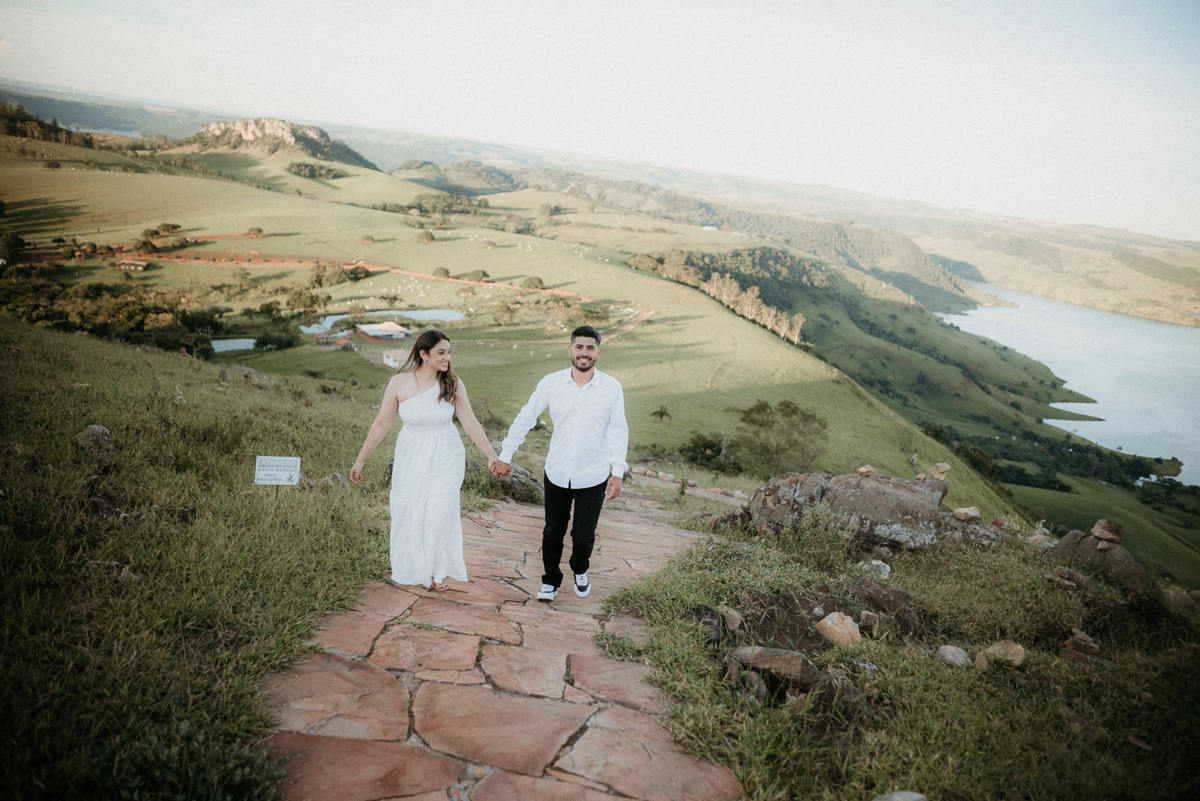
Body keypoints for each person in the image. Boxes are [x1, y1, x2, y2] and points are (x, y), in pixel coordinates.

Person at [350, 329, 502, 591]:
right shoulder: (399, 384)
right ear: (423, 354)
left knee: (438, 512)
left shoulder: (453, 384)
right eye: (441, 353)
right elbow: (381, 424)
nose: (447, 358)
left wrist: (492, 456)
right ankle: (413, 566)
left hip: (446, 454)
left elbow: (471, 423)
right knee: (411, 511)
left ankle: (438, 569)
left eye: (449, 352)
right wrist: (360, 460)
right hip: (412, 455)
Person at [491, 325, 628, 601]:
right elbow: (526, 416)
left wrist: (618, 472)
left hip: (594, 473)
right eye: (579, 347)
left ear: (598, 352)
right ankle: (551, 580)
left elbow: (618, 430)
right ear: (570, 350)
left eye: (590, 348)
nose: (584, 353)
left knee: (583, 534)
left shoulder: (611, 388)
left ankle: (580, 568)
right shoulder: (551, 383)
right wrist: (506, 454)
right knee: (553, 530)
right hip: (557, 471)